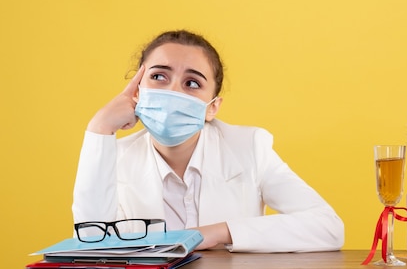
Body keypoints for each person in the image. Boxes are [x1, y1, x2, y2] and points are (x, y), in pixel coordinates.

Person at [72, 30, 344, 252]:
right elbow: (91, 241)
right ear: (137, 91)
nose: (173, 90)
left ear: (212, 107)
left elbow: (328, 228)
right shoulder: (115, 156)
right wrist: (100, 128)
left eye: (192, 83)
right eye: (158, 76)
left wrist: (217, 233)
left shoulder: (249, 147)